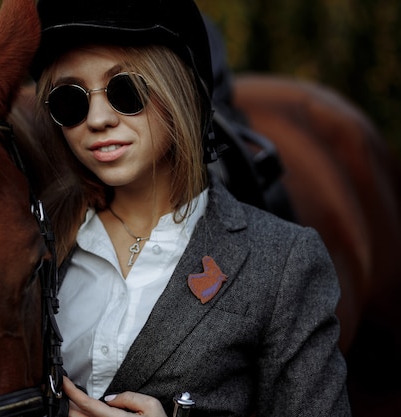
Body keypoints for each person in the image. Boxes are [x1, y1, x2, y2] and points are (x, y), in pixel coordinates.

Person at [29, 0, 351, 416]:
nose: (98, 118)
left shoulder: (286, 260)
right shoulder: (34, 242)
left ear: (176, 87)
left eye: (126, 90)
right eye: (69, 101)